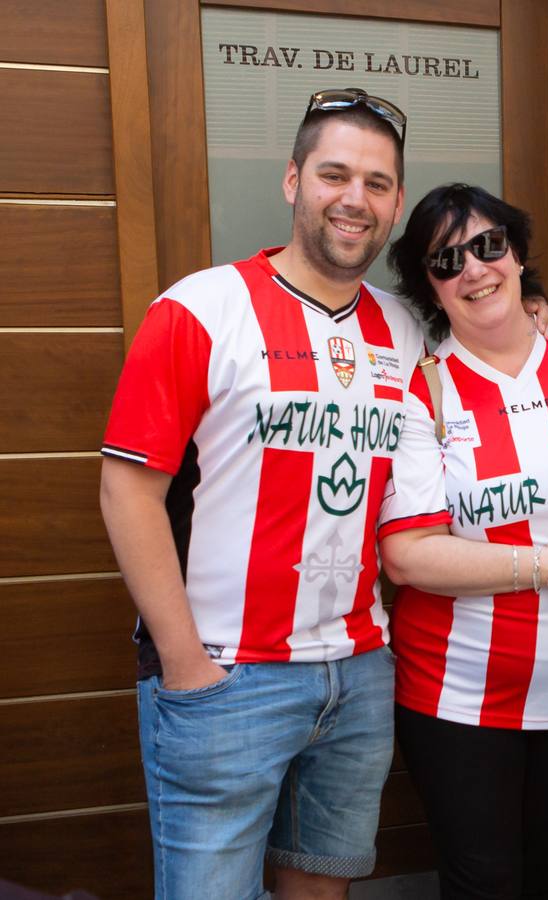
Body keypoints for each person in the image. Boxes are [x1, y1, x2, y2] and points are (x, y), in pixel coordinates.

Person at [98, 88, 422, 898]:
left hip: (358, 670)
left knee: (321, 886)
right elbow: (126, 490)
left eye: (376, 184)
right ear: (292, 181)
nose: (354, 200)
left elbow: (498, 336)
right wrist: (182, 662)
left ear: (397, 203)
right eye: (334, 175)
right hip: (224, 672)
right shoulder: (199, 309)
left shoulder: (406, 328)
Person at [374, 183, 548, 899]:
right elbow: (408, 552)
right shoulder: (420, 390)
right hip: (456, 695)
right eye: (446, 260)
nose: (474, 270)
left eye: (489, 246)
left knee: (543, 870)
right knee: (484, 881)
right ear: (429, 287)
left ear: (519, 255)